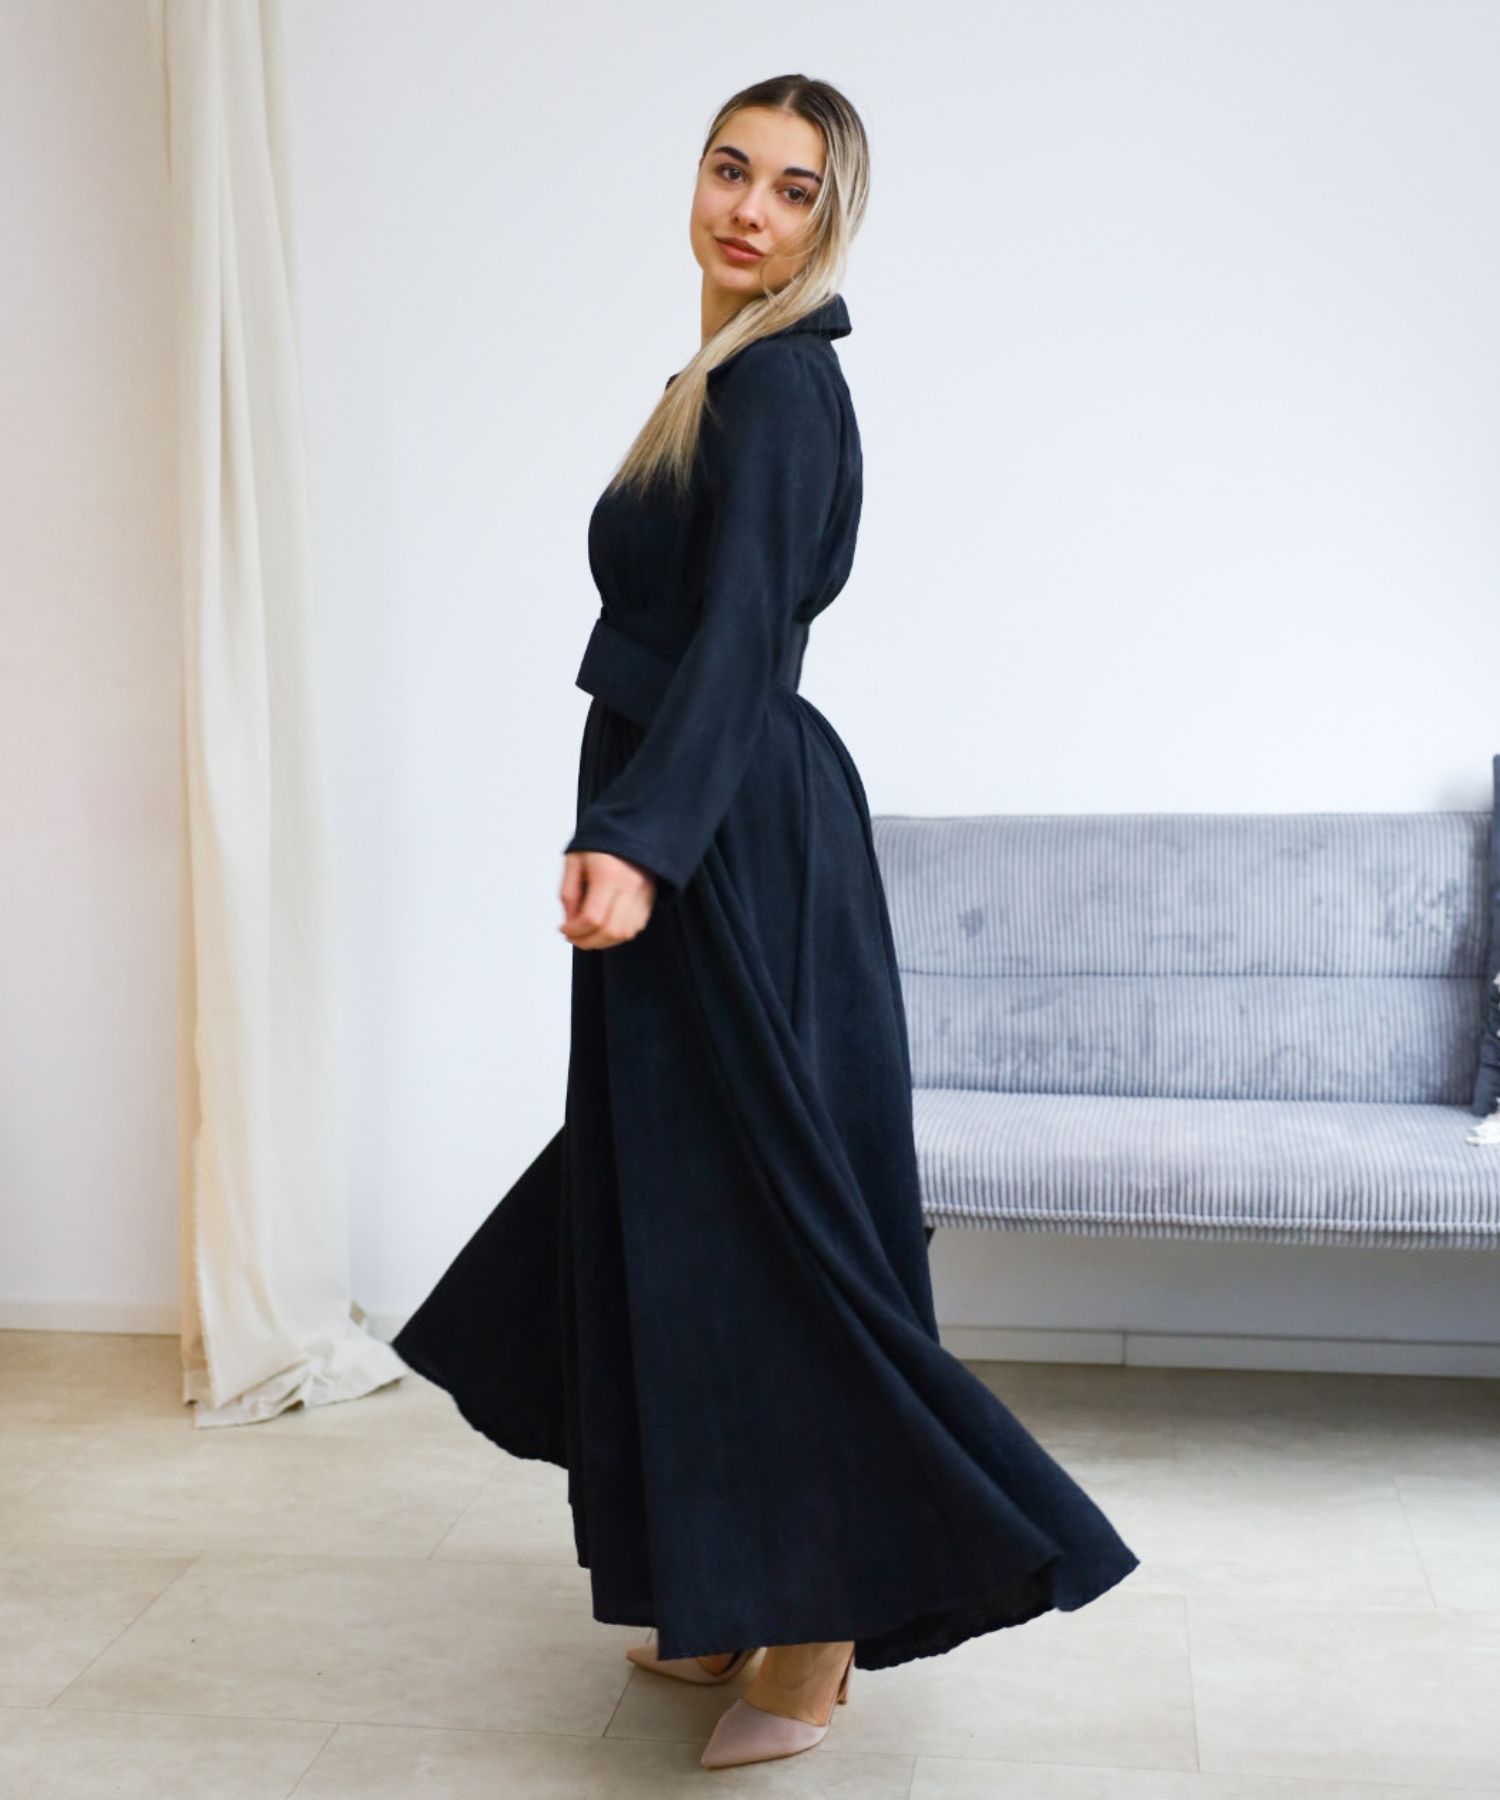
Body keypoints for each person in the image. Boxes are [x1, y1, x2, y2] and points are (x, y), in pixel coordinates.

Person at [392, 73, 1140, 1772]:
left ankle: (818, 1637)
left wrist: (641, 842)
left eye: (794, 189)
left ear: (831, 219)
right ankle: (729, 1584)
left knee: (764, 1226)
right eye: (731, 170)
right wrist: (628, 824)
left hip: (733, 839)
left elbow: (740, 641)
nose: (749, 207)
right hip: (697, 814)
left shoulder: (787, 386)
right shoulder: (715, 378)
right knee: (674, 1204)